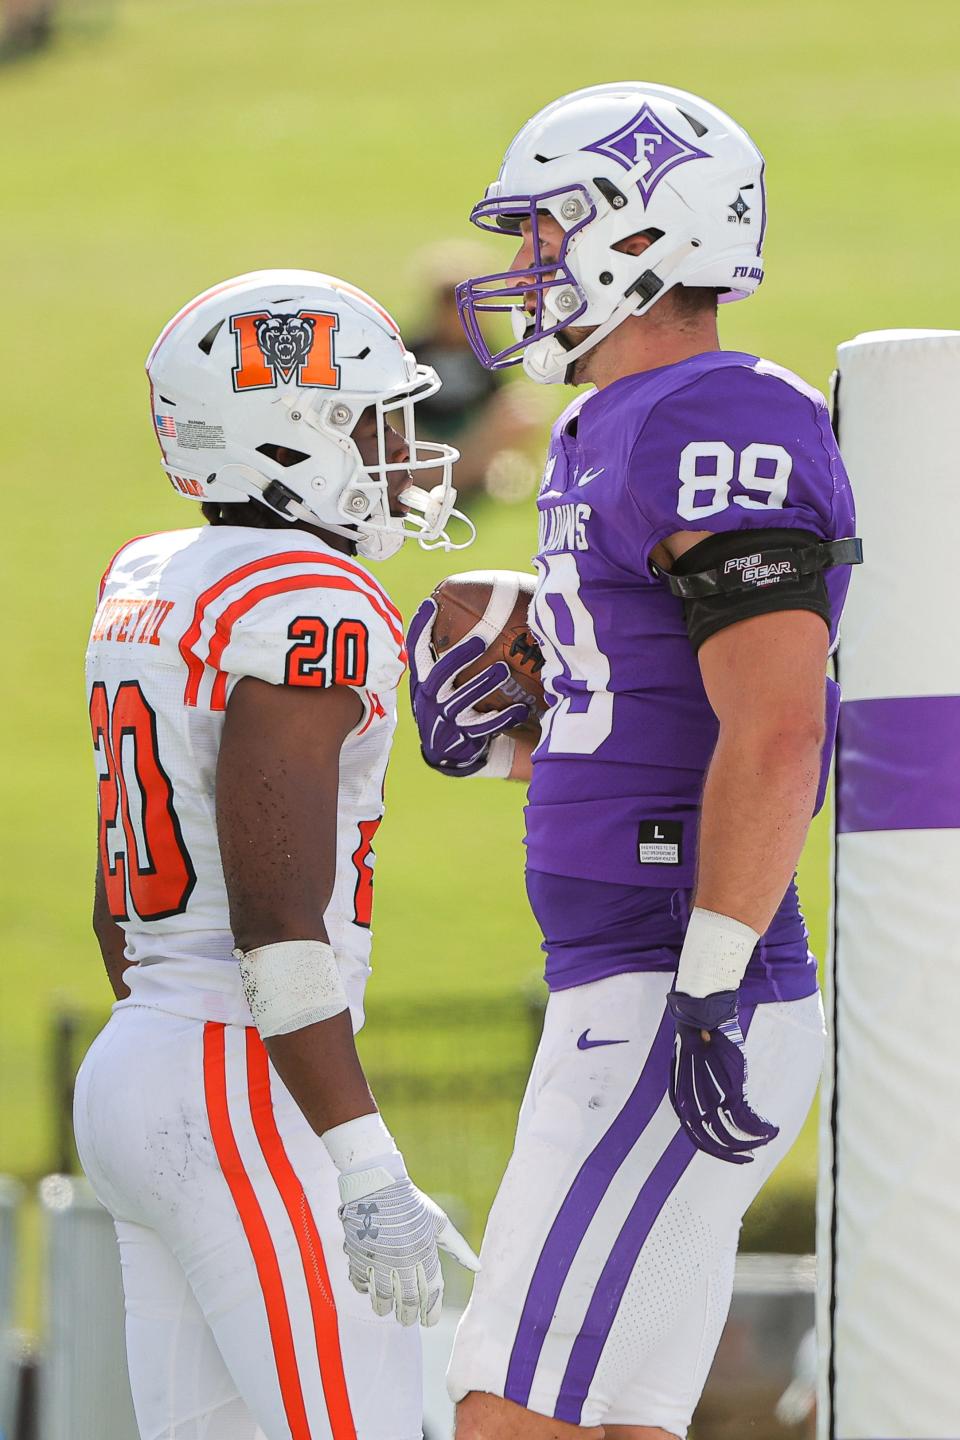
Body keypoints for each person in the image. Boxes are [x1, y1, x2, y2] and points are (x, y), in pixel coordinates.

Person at [406, 83, 861, 1440]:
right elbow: (650, 716)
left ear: (639, 233)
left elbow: (780, 726)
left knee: (508, 1410)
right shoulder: (615, 423)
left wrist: (708, 981)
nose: (528, 267)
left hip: (678, 983)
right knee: (609, 1424)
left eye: (549, 234)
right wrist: (520, 732)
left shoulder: (716, 415)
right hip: (637, 972)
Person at [73, 269, 479, 1440]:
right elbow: (276, 922)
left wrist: (170, 1058)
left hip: (142, 1048)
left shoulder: (151, 575)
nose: (404, 448)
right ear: (290, 437)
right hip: (237, 1067)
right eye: (371, 418)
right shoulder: (314, 598)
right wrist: (360, 1157)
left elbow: (116, 898)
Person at [407, 243, 542, 500]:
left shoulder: (483, 352)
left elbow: (497, 401)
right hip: (426, 437)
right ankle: (446, 476)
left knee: (523, 410)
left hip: (471, 435)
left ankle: (456, 475)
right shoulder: (415, 351)